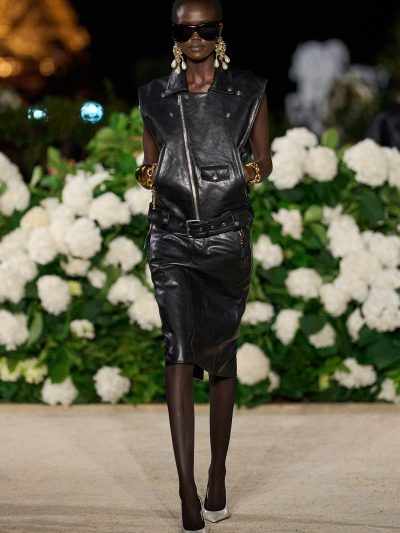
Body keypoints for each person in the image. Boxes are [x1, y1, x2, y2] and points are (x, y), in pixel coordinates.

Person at [136, 0, 272, 531]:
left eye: (206, 28)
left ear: (220, 32)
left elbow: (263, 161)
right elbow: (148, 165)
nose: (196, 38)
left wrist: (236, 174)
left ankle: (217, 474)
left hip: (225, 238)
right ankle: (186, 491)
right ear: (174, 34)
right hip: (170, 235)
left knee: (221, 356)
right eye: (185, 30)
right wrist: (152, 174)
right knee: (178, 349)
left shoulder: (250, 91)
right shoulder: (153, 96)